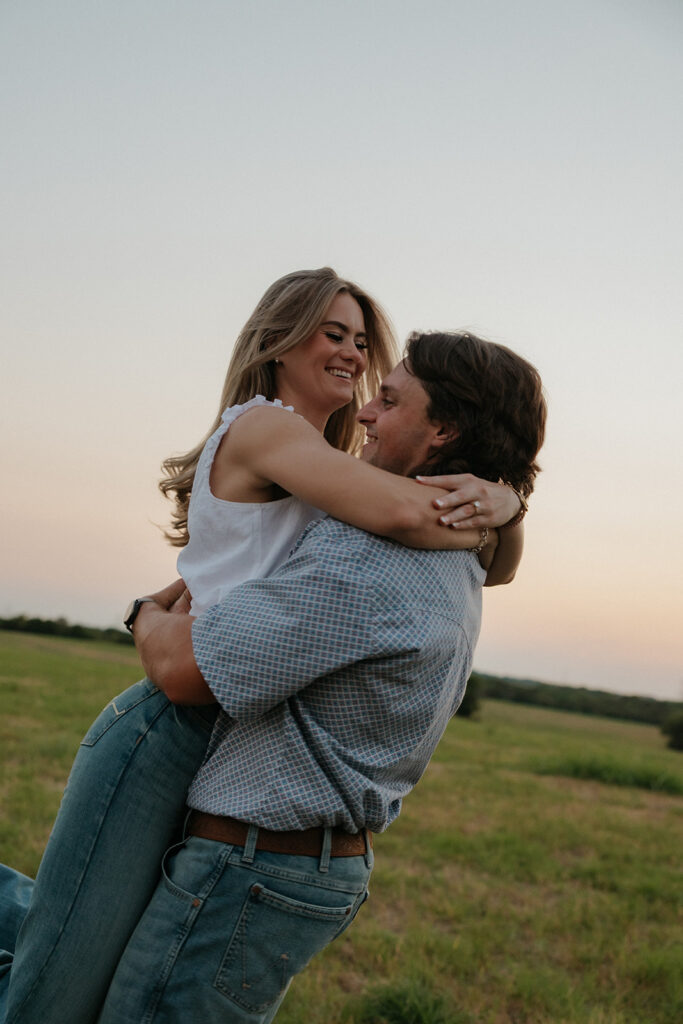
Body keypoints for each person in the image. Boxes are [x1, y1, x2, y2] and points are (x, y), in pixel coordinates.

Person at [0, 270, 523, 1024]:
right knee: (53, 995)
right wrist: (500, 504)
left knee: (83, 946)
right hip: (171, 725)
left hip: (219, 725)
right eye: (331, 333)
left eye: (360, 341)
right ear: (277, 341)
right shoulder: (269, 430)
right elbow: (415, 515)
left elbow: (475, 557)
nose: (352, 355)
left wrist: (502, 511)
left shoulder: (326, 457)